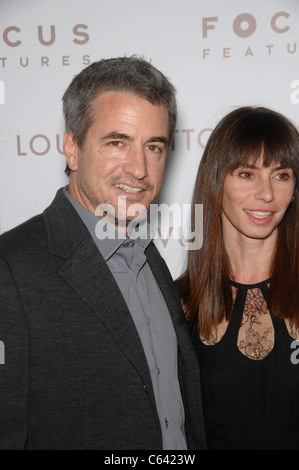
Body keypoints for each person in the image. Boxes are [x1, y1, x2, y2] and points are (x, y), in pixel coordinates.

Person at [0, 56, 206, 450]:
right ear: (71, 148)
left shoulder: (152, 261)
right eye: (117, 142)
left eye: (154, 147)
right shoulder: (11, 270)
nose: (140, 169)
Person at [178, 106, 299, 450]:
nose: (267, 194)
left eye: (282, 175)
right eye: (247, 174)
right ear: (217, 181)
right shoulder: (176, 304)